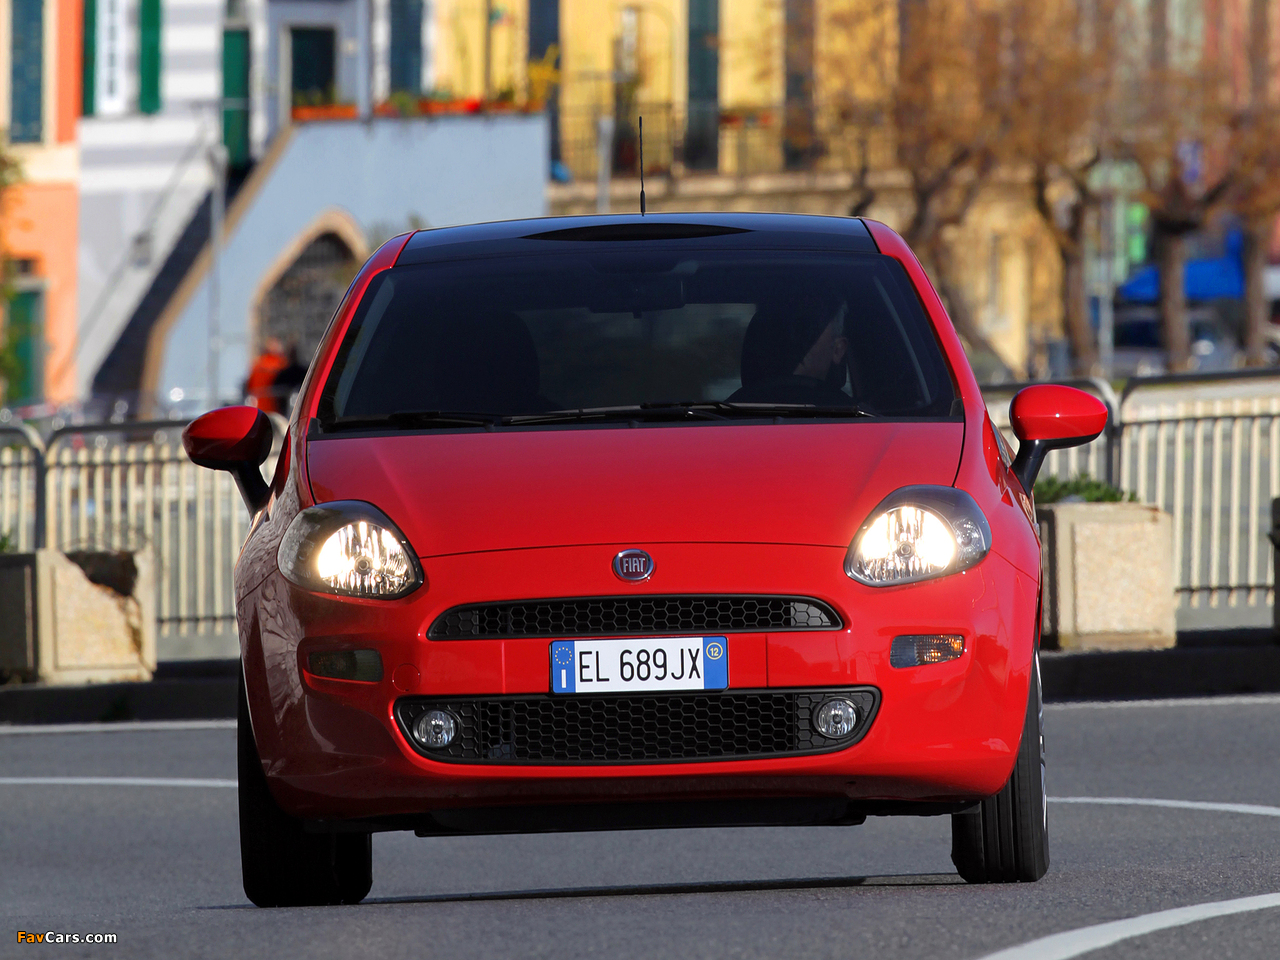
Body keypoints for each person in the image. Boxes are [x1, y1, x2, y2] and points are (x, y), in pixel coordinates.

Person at [729, 295, 851, 405]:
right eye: (779, 329)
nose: (792, 336)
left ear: (838, 349)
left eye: (807, 329)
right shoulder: (853, 414)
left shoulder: (726, 413)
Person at [245, 337, 288, 413]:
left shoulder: (258, 364)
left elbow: (249, 386)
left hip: (261, 409)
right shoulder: (282, 364)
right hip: (278, 411)